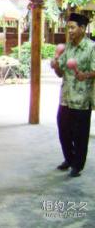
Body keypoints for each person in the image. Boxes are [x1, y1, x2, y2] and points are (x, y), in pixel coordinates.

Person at [51, 13, 95, 178]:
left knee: (80, 134)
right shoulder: (68, 47)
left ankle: (78, 165)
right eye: (68, 27)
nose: (69, 31)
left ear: (82, 29)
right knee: (63, 130)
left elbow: (94, 69)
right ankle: (69, 159)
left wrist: (86, 75)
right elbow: (60, 71)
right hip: (66, 97)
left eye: (72, 27)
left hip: (82, 99)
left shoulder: (91, 47)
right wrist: (55, 65)